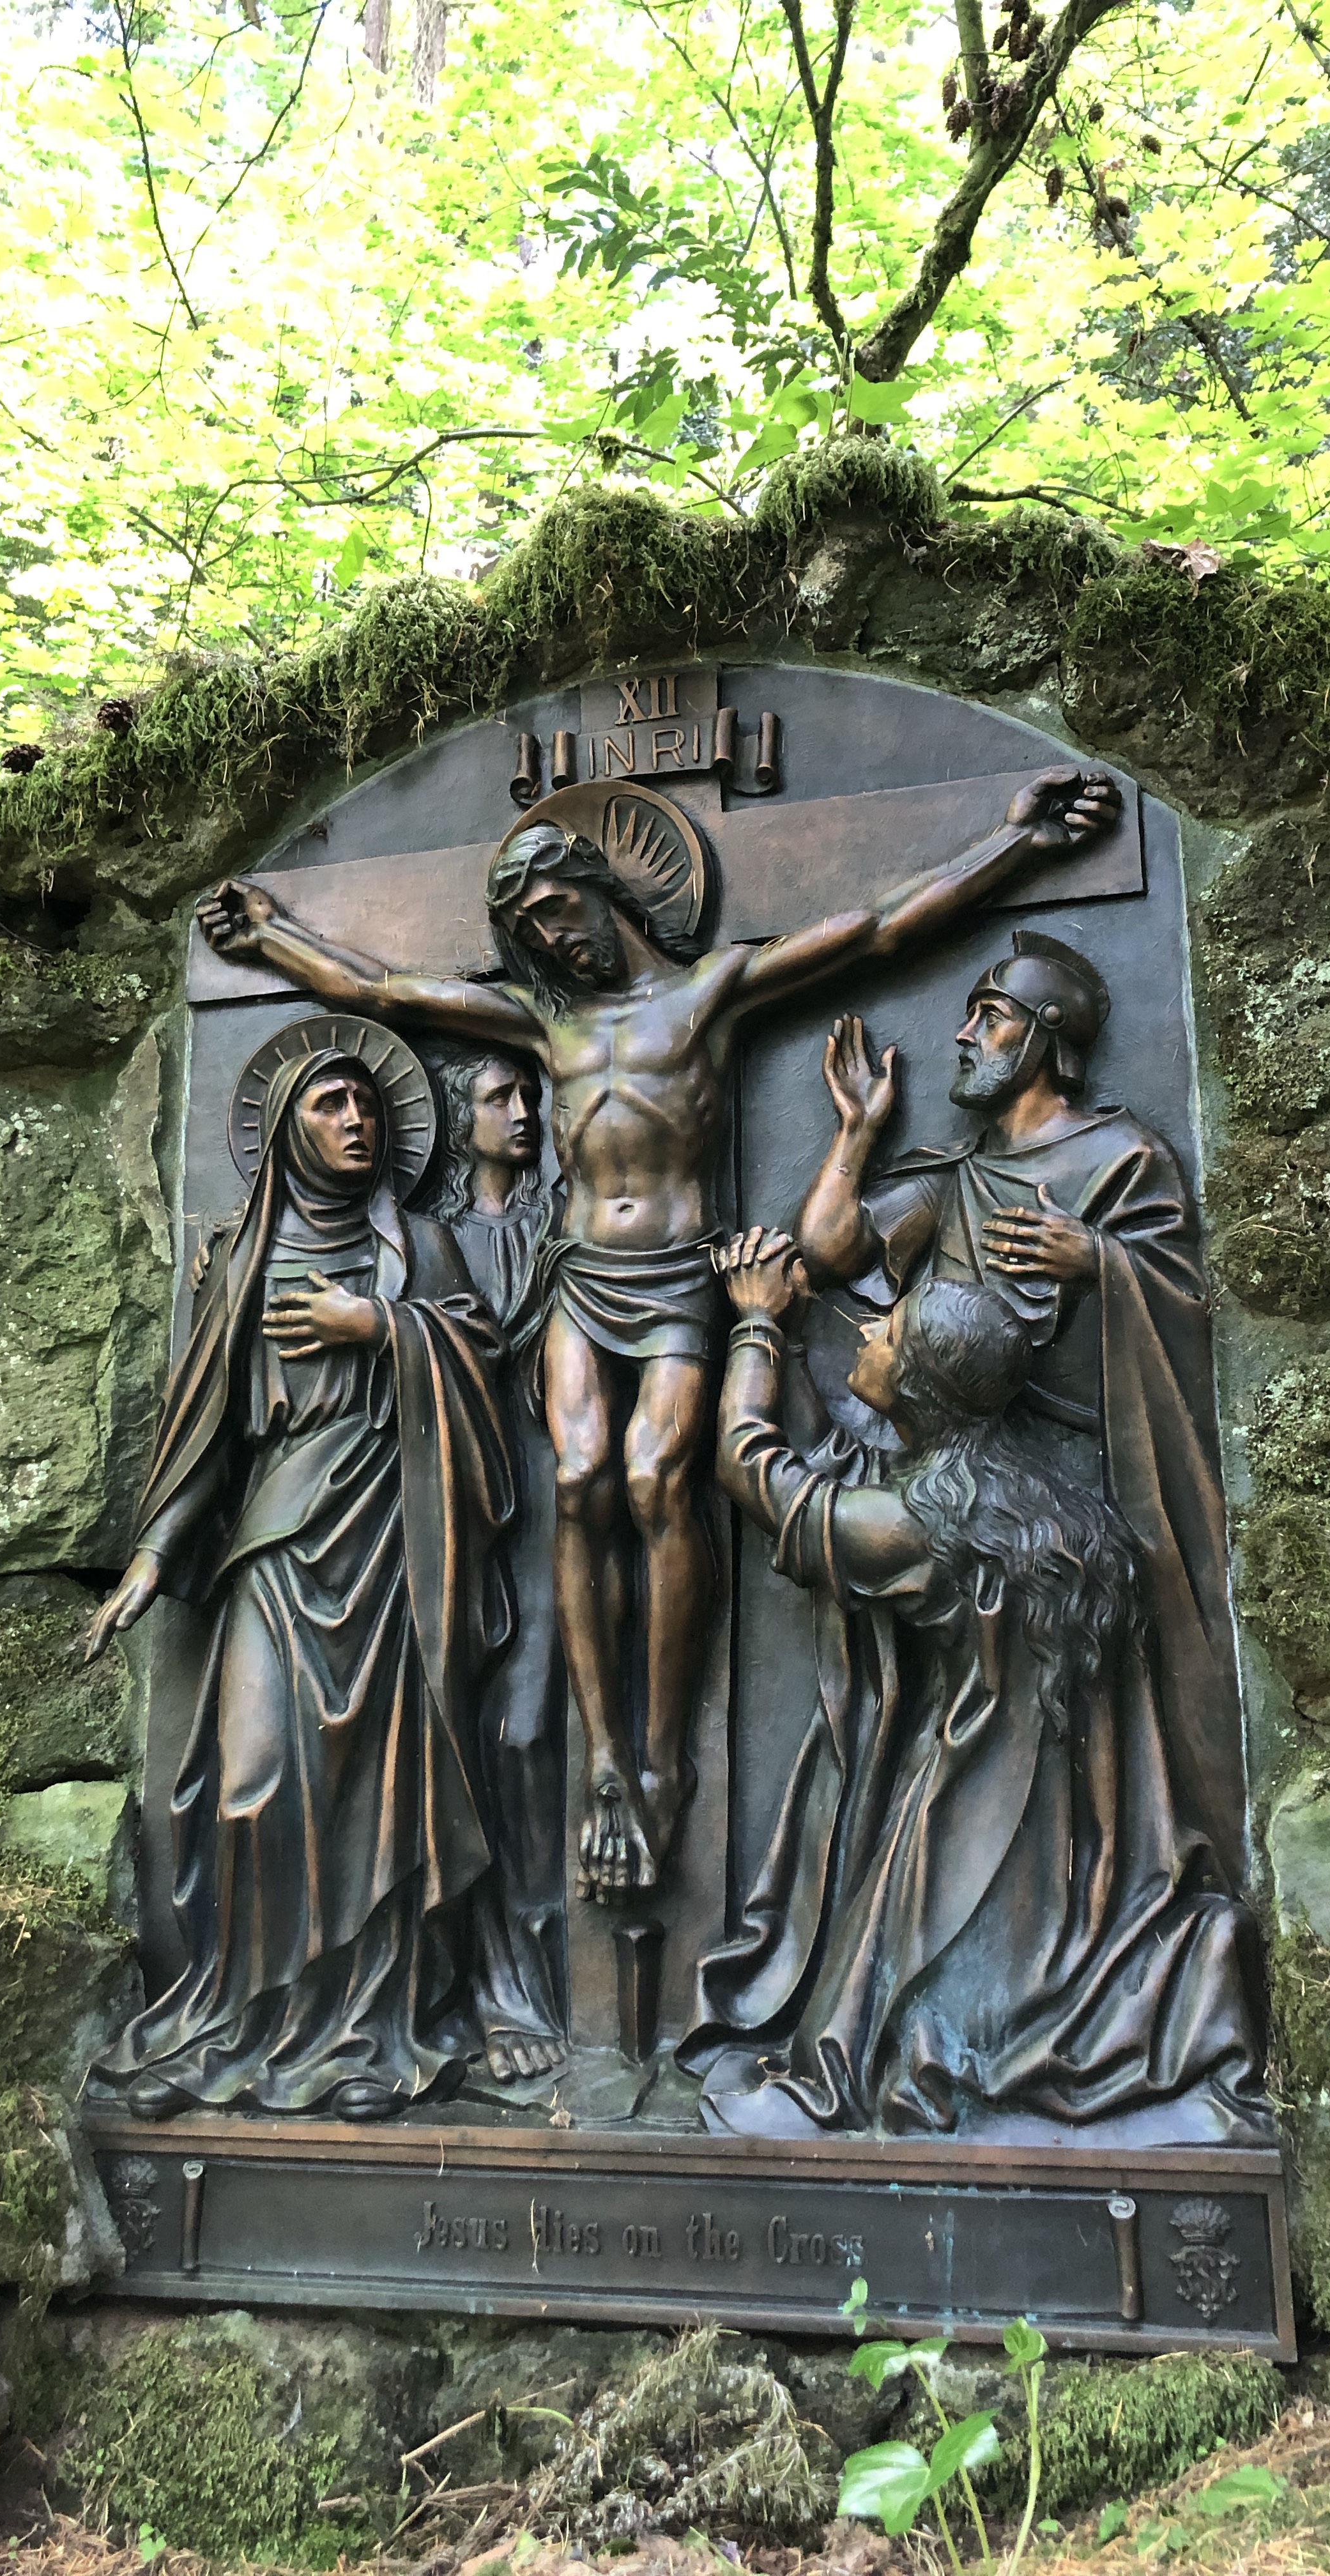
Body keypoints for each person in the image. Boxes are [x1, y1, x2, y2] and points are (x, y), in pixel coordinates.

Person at [194, 767, 1124, 1903]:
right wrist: (269, 937)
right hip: (581, 1277)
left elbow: (876, 928)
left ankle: (666, 1753)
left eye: (558, 912)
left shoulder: (709, 994)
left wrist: (1017, 846)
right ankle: (604, 1757)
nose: (553, 941)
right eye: (530, 931)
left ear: (602, 891)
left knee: (654, 1480)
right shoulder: (545, 1022)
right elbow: (382, 988)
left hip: (682, 1277)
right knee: (579, 1476)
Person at [681, 1228, 1267, 2142]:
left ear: (919, 1387)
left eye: (887, 1334)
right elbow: (847, 1472)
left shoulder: (921, 1526)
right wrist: (794, 1350)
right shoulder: (1036, 1504)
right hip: (1083, 1842)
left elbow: (753, 1470)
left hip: (972, 1813)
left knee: (906, 2017)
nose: (866, 1330)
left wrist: (756, 1323)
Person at [79, 1047, 514, 2122]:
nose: (357, 1118)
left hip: (393, 1539)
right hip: (277, 1538)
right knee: (251, 1778)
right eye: (331, 1103)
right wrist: (151, 1558)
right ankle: (236, 2020)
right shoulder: (242, 1257)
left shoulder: (419, 1247)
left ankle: (369, 2035)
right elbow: (209, 1432)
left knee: (384, 1801)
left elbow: (485, 1370)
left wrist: (383, 1326)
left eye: (366, 1101)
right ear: (287, 1128)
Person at [793, 935, 1245, 1882]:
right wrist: (858, 1133)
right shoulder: (957, 1173)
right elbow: (830, 1250)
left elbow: (1190, 1314)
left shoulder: (1125, 1159)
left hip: (1090, 1492)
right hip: (969, 1498)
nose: (963, 1035)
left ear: (1046, 1035)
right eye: (969, 1015)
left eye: (989, 1017)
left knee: (1082, 1726)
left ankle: (1105, 1881)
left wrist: (1100, 1261)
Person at [425, 1045, 567, 2080]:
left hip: (551, 1487)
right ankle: (476, 1985)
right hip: (453, 1498)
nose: (521, 1111)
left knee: (528, 1733)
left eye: (530, 1094)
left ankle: (540, 1980)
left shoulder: (563, 1219)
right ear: (455, 1115)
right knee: (456, 1734)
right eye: (497, 1096)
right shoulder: (424, 1240)